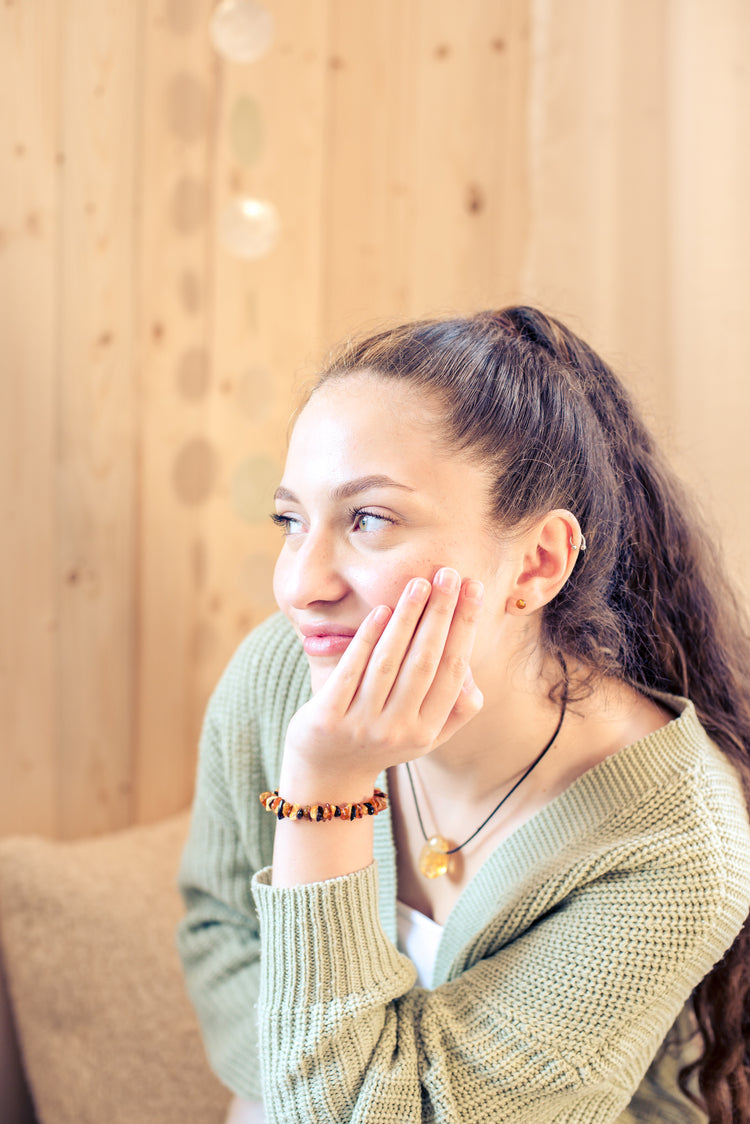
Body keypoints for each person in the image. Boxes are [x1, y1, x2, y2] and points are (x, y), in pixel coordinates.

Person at [177, 307, 750, 1124]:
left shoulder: (676, 844)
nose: (301, 584)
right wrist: (306, 1080)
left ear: (537, 562)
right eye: (290, 520)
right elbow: (218, 926)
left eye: (369, 519)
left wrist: (326, 788)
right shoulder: (282, 671)